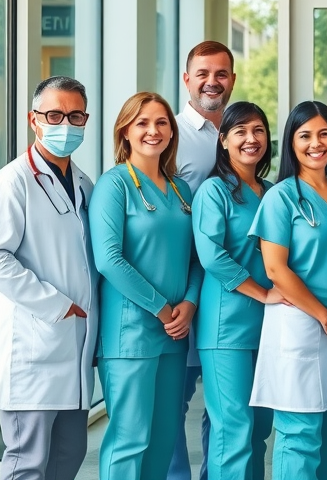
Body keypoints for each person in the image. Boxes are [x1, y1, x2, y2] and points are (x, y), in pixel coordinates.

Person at [0, 76, 97, 480]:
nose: (66, 123)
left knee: (68, 458)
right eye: (55, 114)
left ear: (85, 120)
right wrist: (57, 306)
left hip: (72, 350)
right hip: (32, 348)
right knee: (28, 462)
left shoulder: (83, 183)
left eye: (74, 115)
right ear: (34, 119)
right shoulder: (11, 183)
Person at [249, 101, 327, 480]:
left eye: (324, 133)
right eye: (305, 135)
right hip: (300, 324)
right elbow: (275, 269)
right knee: (299, 436)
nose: (316, 143)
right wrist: (326, 317)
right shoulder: (281, 197)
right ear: (291, 143)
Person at [90, 92, 202, 480]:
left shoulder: (182, 190)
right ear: (125, 130)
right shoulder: (114, 185)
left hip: (174, 334)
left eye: (161, 122)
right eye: (142, 123)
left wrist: (188, 304)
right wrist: (161, 307)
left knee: (163, 438)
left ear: (172, 130)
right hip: (130, 333)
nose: (153, 131)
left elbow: (195, 259)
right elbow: (108, 259)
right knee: (129, 438)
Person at [191, 102, 276, 480]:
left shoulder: (273, 192)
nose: (250, 139)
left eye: (258, 130)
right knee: (233, 428)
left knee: (259, 430)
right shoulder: (214, 191)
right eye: (240, 131)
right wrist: (263, 293)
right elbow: (211, 255)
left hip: (271, 326)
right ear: (223, 140)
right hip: (227, 325)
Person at [172, 40, 237, 480]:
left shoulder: (240, 132)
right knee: (172, 401)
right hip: (178, 288)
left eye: (221, 74)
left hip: (227, 293)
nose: (212, 81)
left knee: (223, 405)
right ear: (187, 79)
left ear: (232, 79)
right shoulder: (167, 134)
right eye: (203, 73)